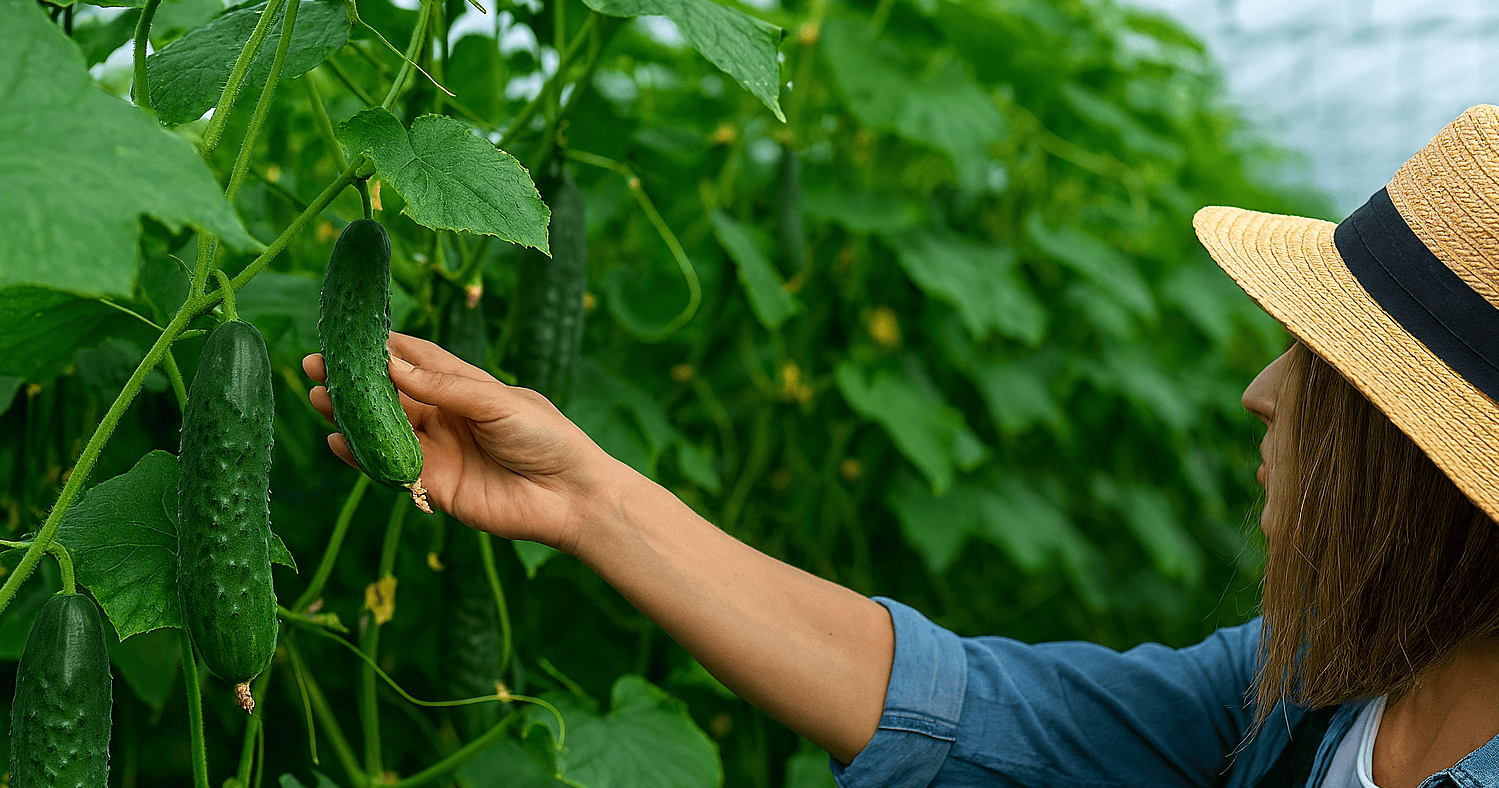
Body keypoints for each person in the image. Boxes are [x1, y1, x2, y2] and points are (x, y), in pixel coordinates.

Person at [303, 104, 1499, 787]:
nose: (1257, 391)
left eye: (1322, 367)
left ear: (1419, 459)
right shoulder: (1303, 683)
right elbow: (973, 709)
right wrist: (587, 495)